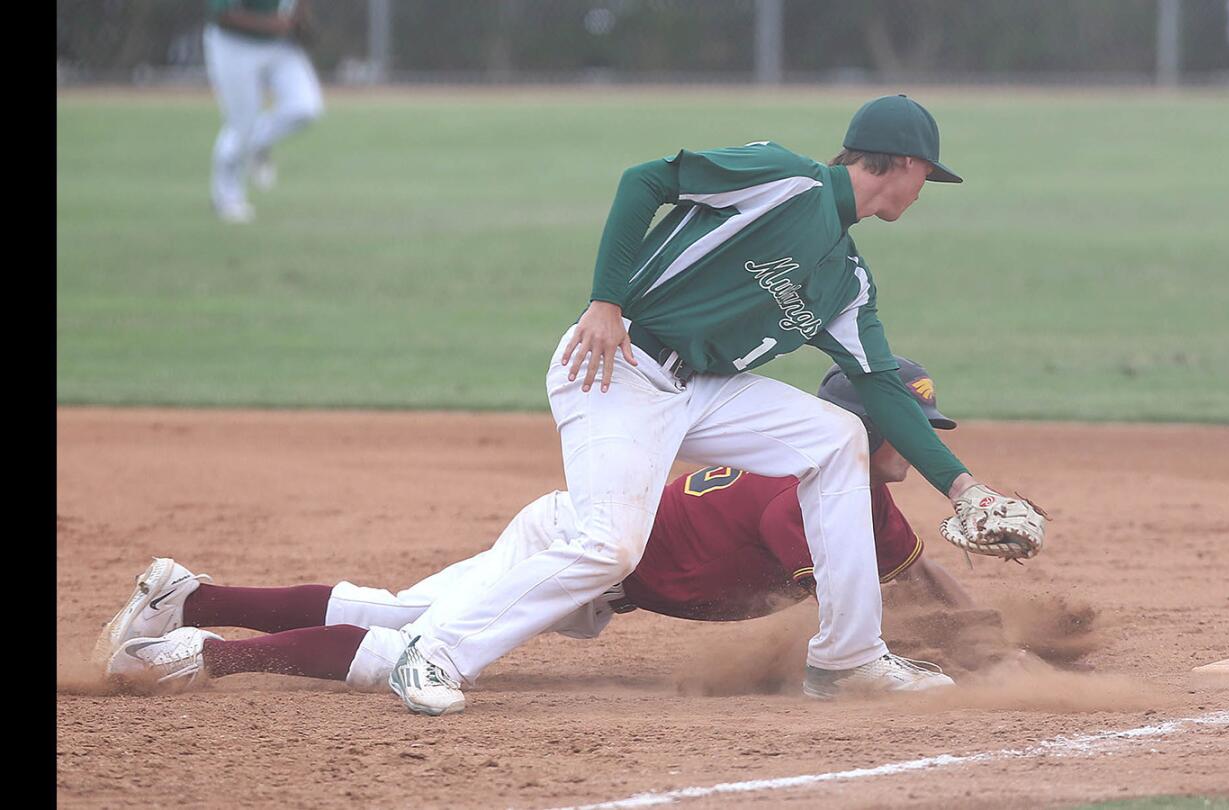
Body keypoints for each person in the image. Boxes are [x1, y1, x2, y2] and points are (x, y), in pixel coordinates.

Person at [379, 94, 1030, 714]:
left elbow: (882, 388)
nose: (923, 192)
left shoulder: (847, 279)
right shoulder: (786, 178)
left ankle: (849, 660)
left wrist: (964, 489)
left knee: (838, 440)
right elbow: (646, 179)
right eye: (927, 177)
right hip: (620, 365)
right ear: (906, 164)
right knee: (610, 547)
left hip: (699, 391)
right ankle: (434, 652)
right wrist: (606, 301)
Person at [96, 360, 986, 711]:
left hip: (597, 564)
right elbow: (856, 598)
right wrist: (942, 653)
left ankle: (189, 595)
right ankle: (203, 653)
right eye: (907, 430)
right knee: (410, 636)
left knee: (401, 609)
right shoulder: (793, 490)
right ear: (853, 425)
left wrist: (986, 634)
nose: (918, 445)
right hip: (582, 548)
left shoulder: (851, 495)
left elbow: (915, 577)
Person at [203, 0, 323, 223]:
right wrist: (277, 25)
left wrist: (301, 19)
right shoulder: (270, 26)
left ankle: (256, 145)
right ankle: (226, 198)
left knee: (305, 107)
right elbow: (224, 15)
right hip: (234, 45)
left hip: (280, 45)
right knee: (241, 124)